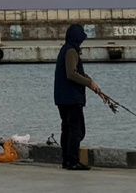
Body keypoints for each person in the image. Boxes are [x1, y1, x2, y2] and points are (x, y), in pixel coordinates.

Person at [53, 23, 110, 170]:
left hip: (62, 98)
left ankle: (67, 161)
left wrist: (94, 86)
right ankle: (73, 161)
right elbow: (71, 74)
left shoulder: (65, 49)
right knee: (76, 130)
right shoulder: (71, 51)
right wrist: (89, 84)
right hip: (71, 98)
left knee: (67, 129)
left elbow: (80, 73)